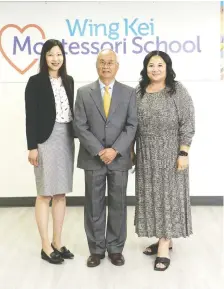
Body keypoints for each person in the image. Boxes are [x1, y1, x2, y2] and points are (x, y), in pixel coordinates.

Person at [73, 49, 137, 267]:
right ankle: (96, 249)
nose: (106, 66)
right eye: (102, 62)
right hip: (93, 158)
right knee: (94, 204)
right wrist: (100, 150)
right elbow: (79, 125)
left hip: (119, 158)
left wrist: (115, 149)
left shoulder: (129, 93)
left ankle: (116, 248)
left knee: (118, 203)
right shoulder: (83, 92)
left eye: (110, 62)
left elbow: (132, 125)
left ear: (117, 66)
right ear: (96, 65)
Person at [133, 50, 195, 271]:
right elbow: (131, 125)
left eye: (160, 65)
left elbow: (187, 122)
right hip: (146, 154)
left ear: (167, 67)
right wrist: (131, 150)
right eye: (151, 65)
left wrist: (183, 152)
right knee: (152, 199)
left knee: (168, 199)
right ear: (145, 68)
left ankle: (164, 245)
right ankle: (161, 237)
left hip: (171, 153)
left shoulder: (177, 91)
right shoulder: (139, 91)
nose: (155, 69)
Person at [25, 39, 75, 264]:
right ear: (44, 58)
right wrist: (32, 146)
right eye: (51, 54)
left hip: (65, 139)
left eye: (59, 54)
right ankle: (45, 245)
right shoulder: (35, 82)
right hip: (45, 140)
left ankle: (57, 241)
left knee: (61, 193)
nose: (56, 58)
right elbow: (31, 117)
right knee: (45, 193)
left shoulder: (69, 81)